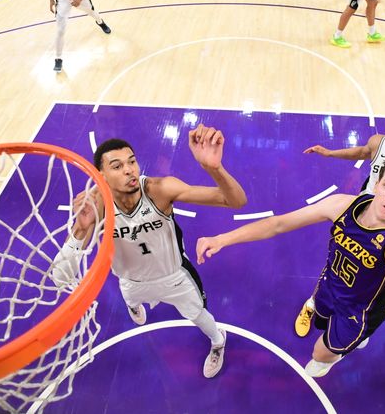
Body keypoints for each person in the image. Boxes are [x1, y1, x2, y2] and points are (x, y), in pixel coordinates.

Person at [196, 154, 385, 378]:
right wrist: (223, 238)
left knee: (319, 353)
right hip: (327, 288)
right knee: (320, 320)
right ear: (377, 184)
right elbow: (278, 224)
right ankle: (338, 332)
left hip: (357, 312)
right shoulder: (342, 205)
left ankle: (344, 348)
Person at [58, 124, 247, 378]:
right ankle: (136, 306)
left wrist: (215, 169)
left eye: (132, 162)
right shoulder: (97, 205)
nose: (129, 170)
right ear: (101, 175)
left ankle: (217, 341)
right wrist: (79, 230)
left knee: (198, 314)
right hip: (130, 280)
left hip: (174, 277)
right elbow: (60, 277)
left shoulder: (159, 190)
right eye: (117, 166)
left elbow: (236, 201)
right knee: (132, 301)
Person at [295, 109, 385, 336]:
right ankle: (312, 304)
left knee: (373, 278)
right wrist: (330, 153)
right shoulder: (379, 142)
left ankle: (361, 318)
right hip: (361, 214)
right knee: (336, 263)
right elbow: (362, 151)